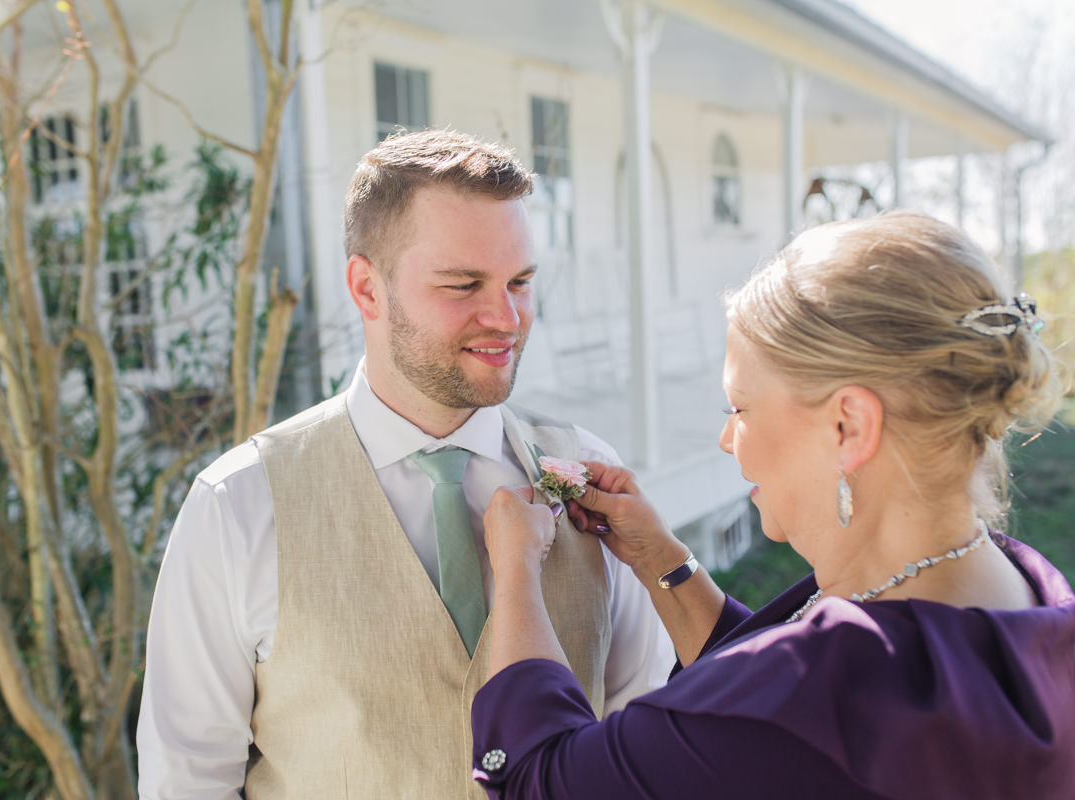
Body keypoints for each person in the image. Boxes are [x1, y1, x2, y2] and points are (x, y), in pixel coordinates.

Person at [136, 129, 672, 799]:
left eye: (521, 282)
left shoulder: (591, 474)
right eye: (463, 284)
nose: (505, 317)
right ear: (367, 289)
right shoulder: (238, 505)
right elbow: (186, 780)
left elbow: (639, 743)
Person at [472, 212, 1075, 799]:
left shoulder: (818, 696)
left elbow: (536, 778)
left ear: (848, 426)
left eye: (740, 408)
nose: (727, 438)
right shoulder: (1021, 585)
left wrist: (517, 569)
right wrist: (665, 563)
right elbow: (759, 719)